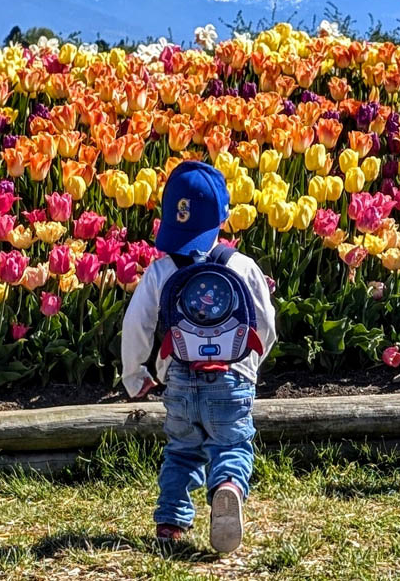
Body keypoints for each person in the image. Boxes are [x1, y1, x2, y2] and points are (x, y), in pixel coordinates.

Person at [121, 161, 277, 552]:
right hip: (231, 379)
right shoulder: (243, 267)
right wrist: (249, 367)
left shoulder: (159, 271)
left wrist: (134, 374)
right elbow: (266, 325)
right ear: (224, 217)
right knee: (231, 445)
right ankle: (227, 486)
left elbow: (136, 326)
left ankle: (171, 523)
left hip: (179, 379)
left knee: (181, 450)